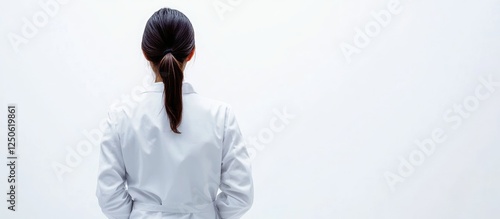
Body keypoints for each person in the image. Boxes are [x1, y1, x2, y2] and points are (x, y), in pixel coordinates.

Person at [96, 8, 254, 219]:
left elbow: (109, 197)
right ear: (191, 52)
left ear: (145, 52)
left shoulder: (120, 116)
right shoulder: (221, 115)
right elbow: (240, 195)